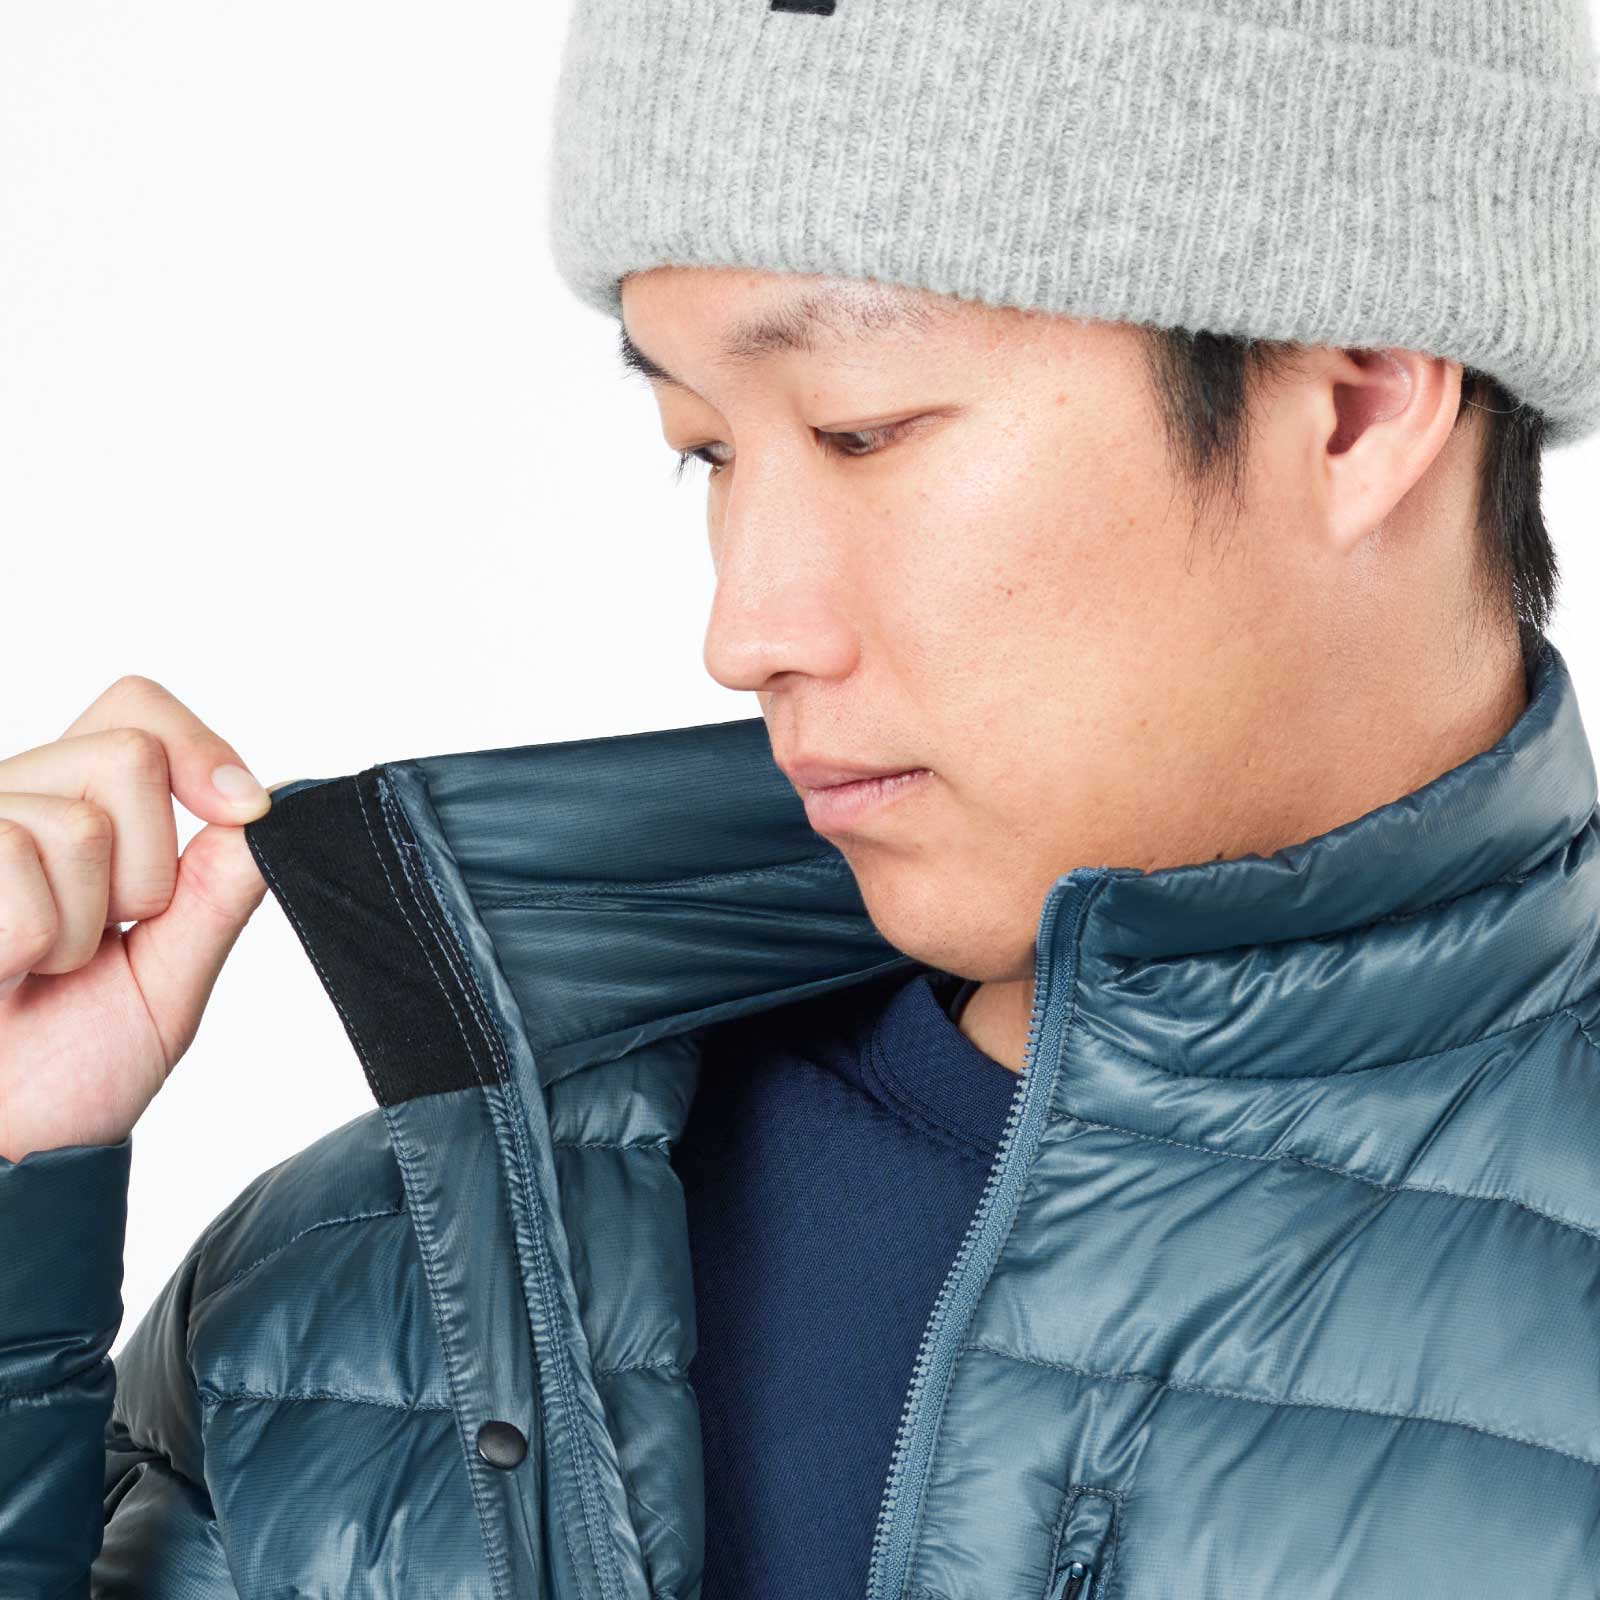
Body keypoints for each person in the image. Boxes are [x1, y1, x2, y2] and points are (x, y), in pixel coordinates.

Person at [3, 1, 1599, 1596]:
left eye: (860, 430)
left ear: (1359, 404)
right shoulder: (378, 1289)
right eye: (707, 451)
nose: (743, 631)